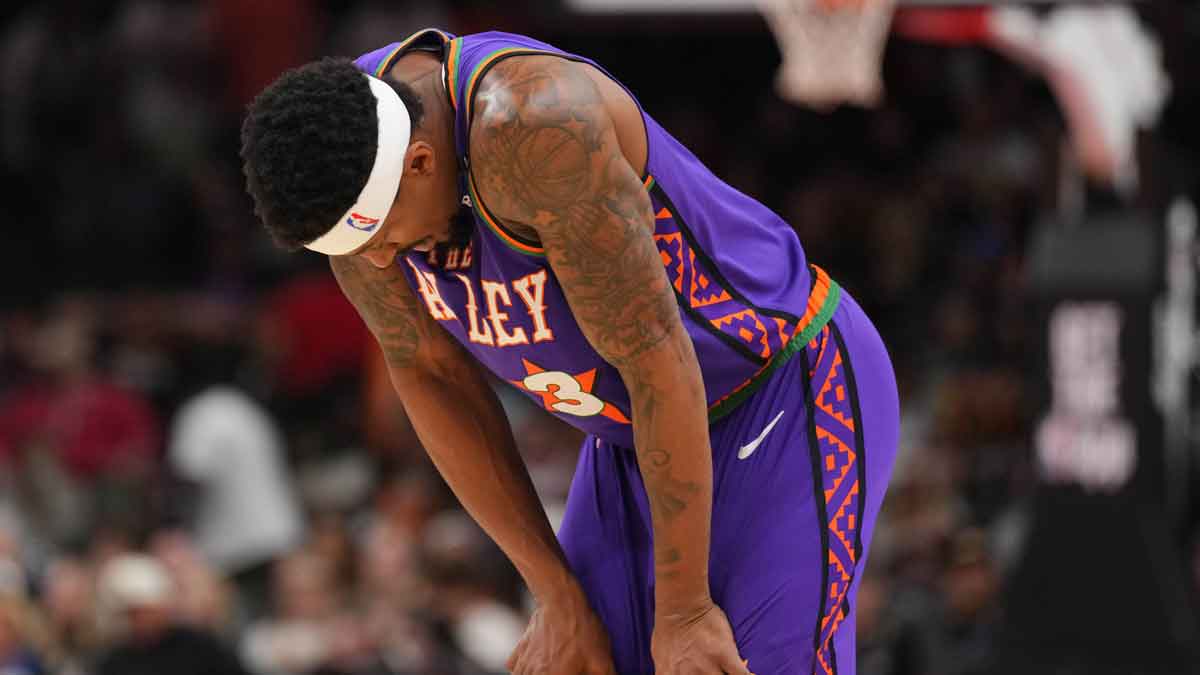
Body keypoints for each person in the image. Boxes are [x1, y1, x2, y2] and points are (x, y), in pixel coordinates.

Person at [240, 28, 900, 675]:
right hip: (632, 437)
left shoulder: (533, 126)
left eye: (380, 236)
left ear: (420, 162)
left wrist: (683, 612)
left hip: (780, 385)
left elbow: (657, 360)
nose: (380, 261)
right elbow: (427, 369)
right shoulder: (345, 152)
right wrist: (555, 596)